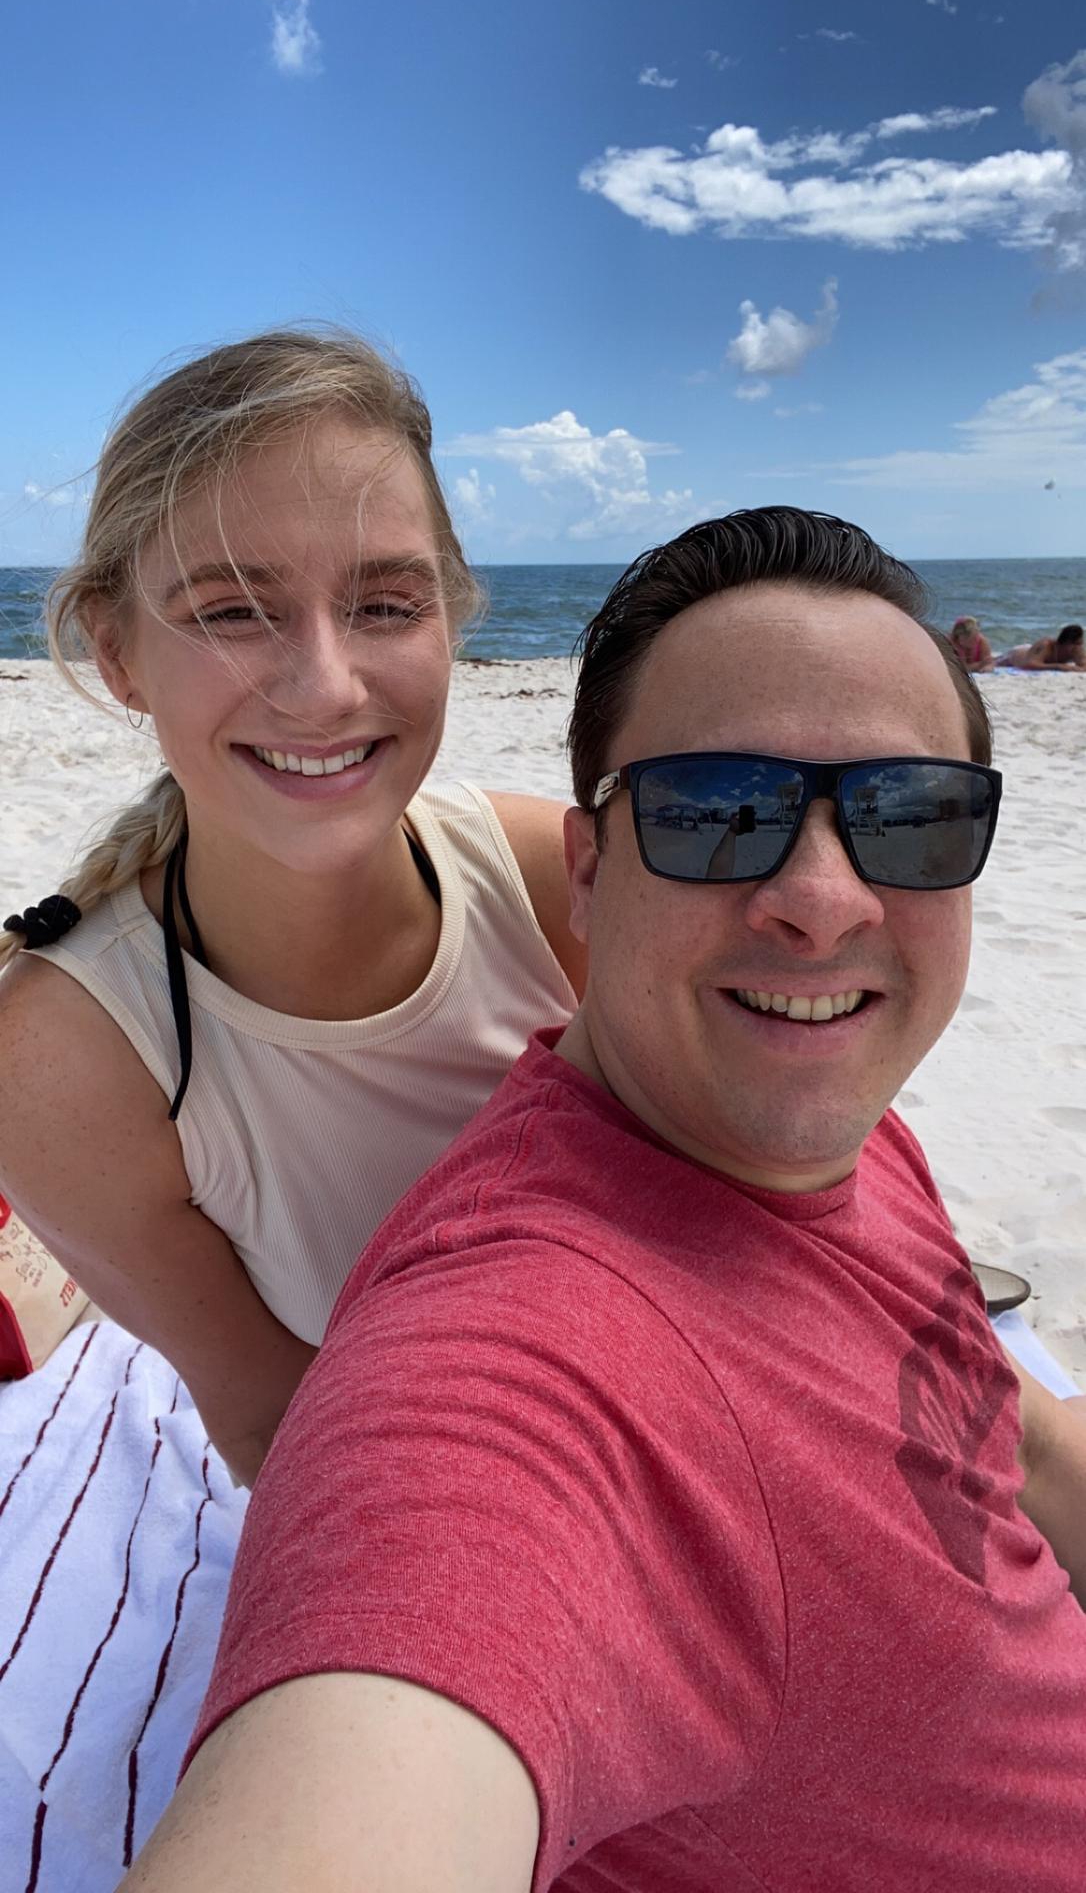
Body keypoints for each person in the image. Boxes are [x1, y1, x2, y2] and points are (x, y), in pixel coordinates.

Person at [123, 509, 1086, 1893]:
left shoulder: (826, 1120)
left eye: (910, 815)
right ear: (585, 870)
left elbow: (1015, 1437)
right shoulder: (524, 1358)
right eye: (714, 811)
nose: (824, 901)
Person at [0, 329, 582, 1487]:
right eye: (231, 611)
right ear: (116, 652)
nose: (323, 688)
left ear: (451, 620)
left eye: (386, 604)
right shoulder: (63, 1058)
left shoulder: (561, 880)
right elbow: (283, 1431)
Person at [998, 623, 1085, 671]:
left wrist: (1080, 661)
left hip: (1030, 652)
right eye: (1076, 644)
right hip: (1017, 655)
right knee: (995, 662)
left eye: (1079, 644)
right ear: (1066, 642)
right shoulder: (1046, 645)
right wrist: (1058, 666)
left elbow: (1083, 667)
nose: (1078, 647)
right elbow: (1030, 664)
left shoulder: (1076, 650)